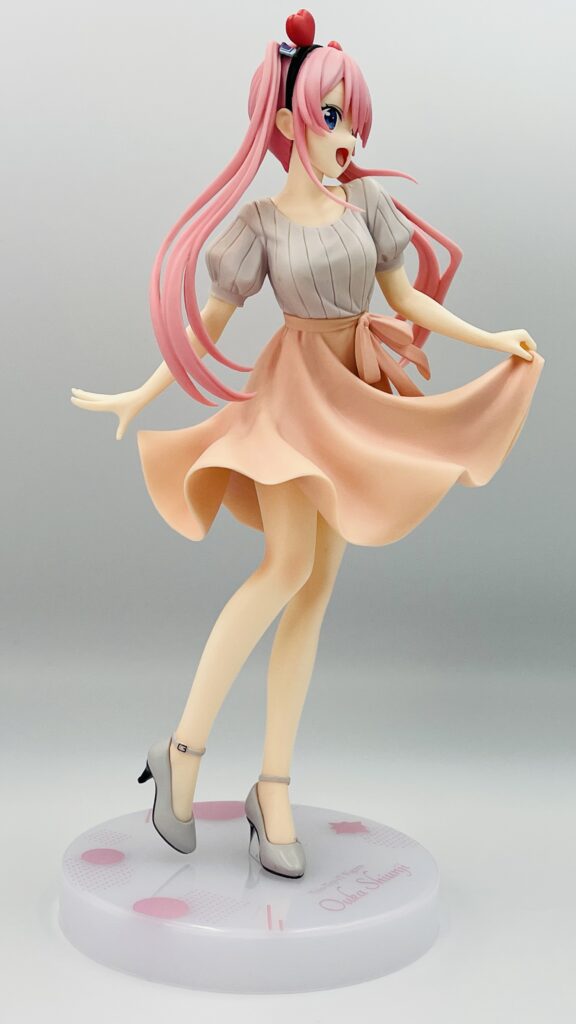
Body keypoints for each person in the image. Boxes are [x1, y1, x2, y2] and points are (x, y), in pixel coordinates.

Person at [70, 10, 544, 878]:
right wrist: (142, 390)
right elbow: (209, 325)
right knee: (285, 567)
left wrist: (491, 339)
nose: (348, 134)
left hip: (351, 396)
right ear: (289, 120)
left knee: (317, 587)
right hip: (291, 400)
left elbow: (405, 300)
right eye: (332, 116)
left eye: (355, 117)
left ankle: (273, 786)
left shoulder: (367, 202)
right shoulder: (259, 224)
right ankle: (182, 751)